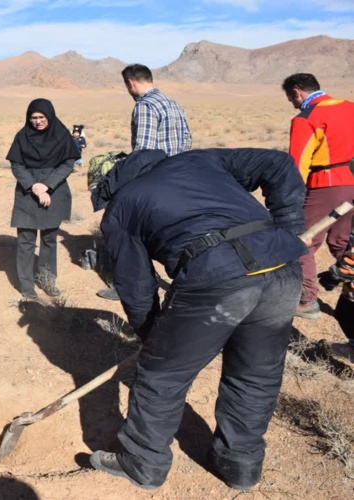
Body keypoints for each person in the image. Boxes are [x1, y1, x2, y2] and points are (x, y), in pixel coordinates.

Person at [87, 148, 307, 490]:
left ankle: (143, 461)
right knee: (256, 373)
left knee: (162, 375)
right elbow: (277, 162)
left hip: (216, 275)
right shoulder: (196, 160)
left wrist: (152, 338)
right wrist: (288, 229)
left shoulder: (121, 206)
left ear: (106, 184)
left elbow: (136, 285)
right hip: (282, 267)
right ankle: (240, 464)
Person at [97, 64, 193, 301]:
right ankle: (186, 283)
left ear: (130, 83)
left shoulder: (145, 106)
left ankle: (132, 286)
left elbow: (144, 152)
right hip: (180, 177)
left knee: (128, 230)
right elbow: (187, 140)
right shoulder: (172, 103)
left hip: (155, 180)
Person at [281, 73, 354, 319]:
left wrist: (289, 197)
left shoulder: (307, 118)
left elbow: (297, 164)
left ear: (296, 92)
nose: (293, 104)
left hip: (328, 185)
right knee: (343, 241)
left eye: (291, 99)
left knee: (303, 239)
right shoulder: (350, 107)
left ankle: (306, 299)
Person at [6, 99, 80, 298]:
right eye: (34, 118)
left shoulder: (62, 135)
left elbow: (67, 164)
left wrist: (47, 185)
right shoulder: (22, 137)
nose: (38, 121)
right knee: (26, 241)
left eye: (41, 117)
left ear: (50, 116)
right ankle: (27, 286)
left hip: (54, 191)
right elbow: (17, 165)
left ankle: (47, 281)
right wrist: (34, 186)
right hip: (27, 192)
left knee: (49, 240)